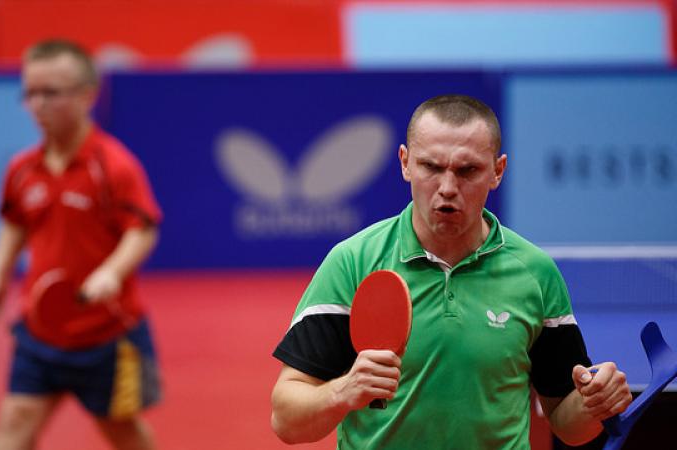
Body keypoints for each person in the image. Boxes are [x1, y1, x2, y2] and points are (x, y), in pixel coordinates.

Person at [270, 94, 632, 449]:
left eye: (467, 170)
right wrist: (342, 391)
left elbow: (570, 429)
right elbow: (285, 421)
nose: (447, 188)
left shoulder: (535, 273)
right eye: (431, 167)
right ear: (405, 163)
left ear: (497, 171)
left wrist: (592, 404)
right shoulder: (353, 263)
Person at [0, 39, 162, 450]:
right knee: (14, 423)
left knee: (121, 432)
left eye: (50, 93)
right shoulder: (22, 169)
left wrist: (112, 272)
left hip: (108, 333)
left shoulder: (113, 165)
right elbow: (15, 224)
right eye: (30, 93)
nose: (37, 104)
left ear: (86, 95)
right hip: (40, 328)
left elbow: (143, 229)